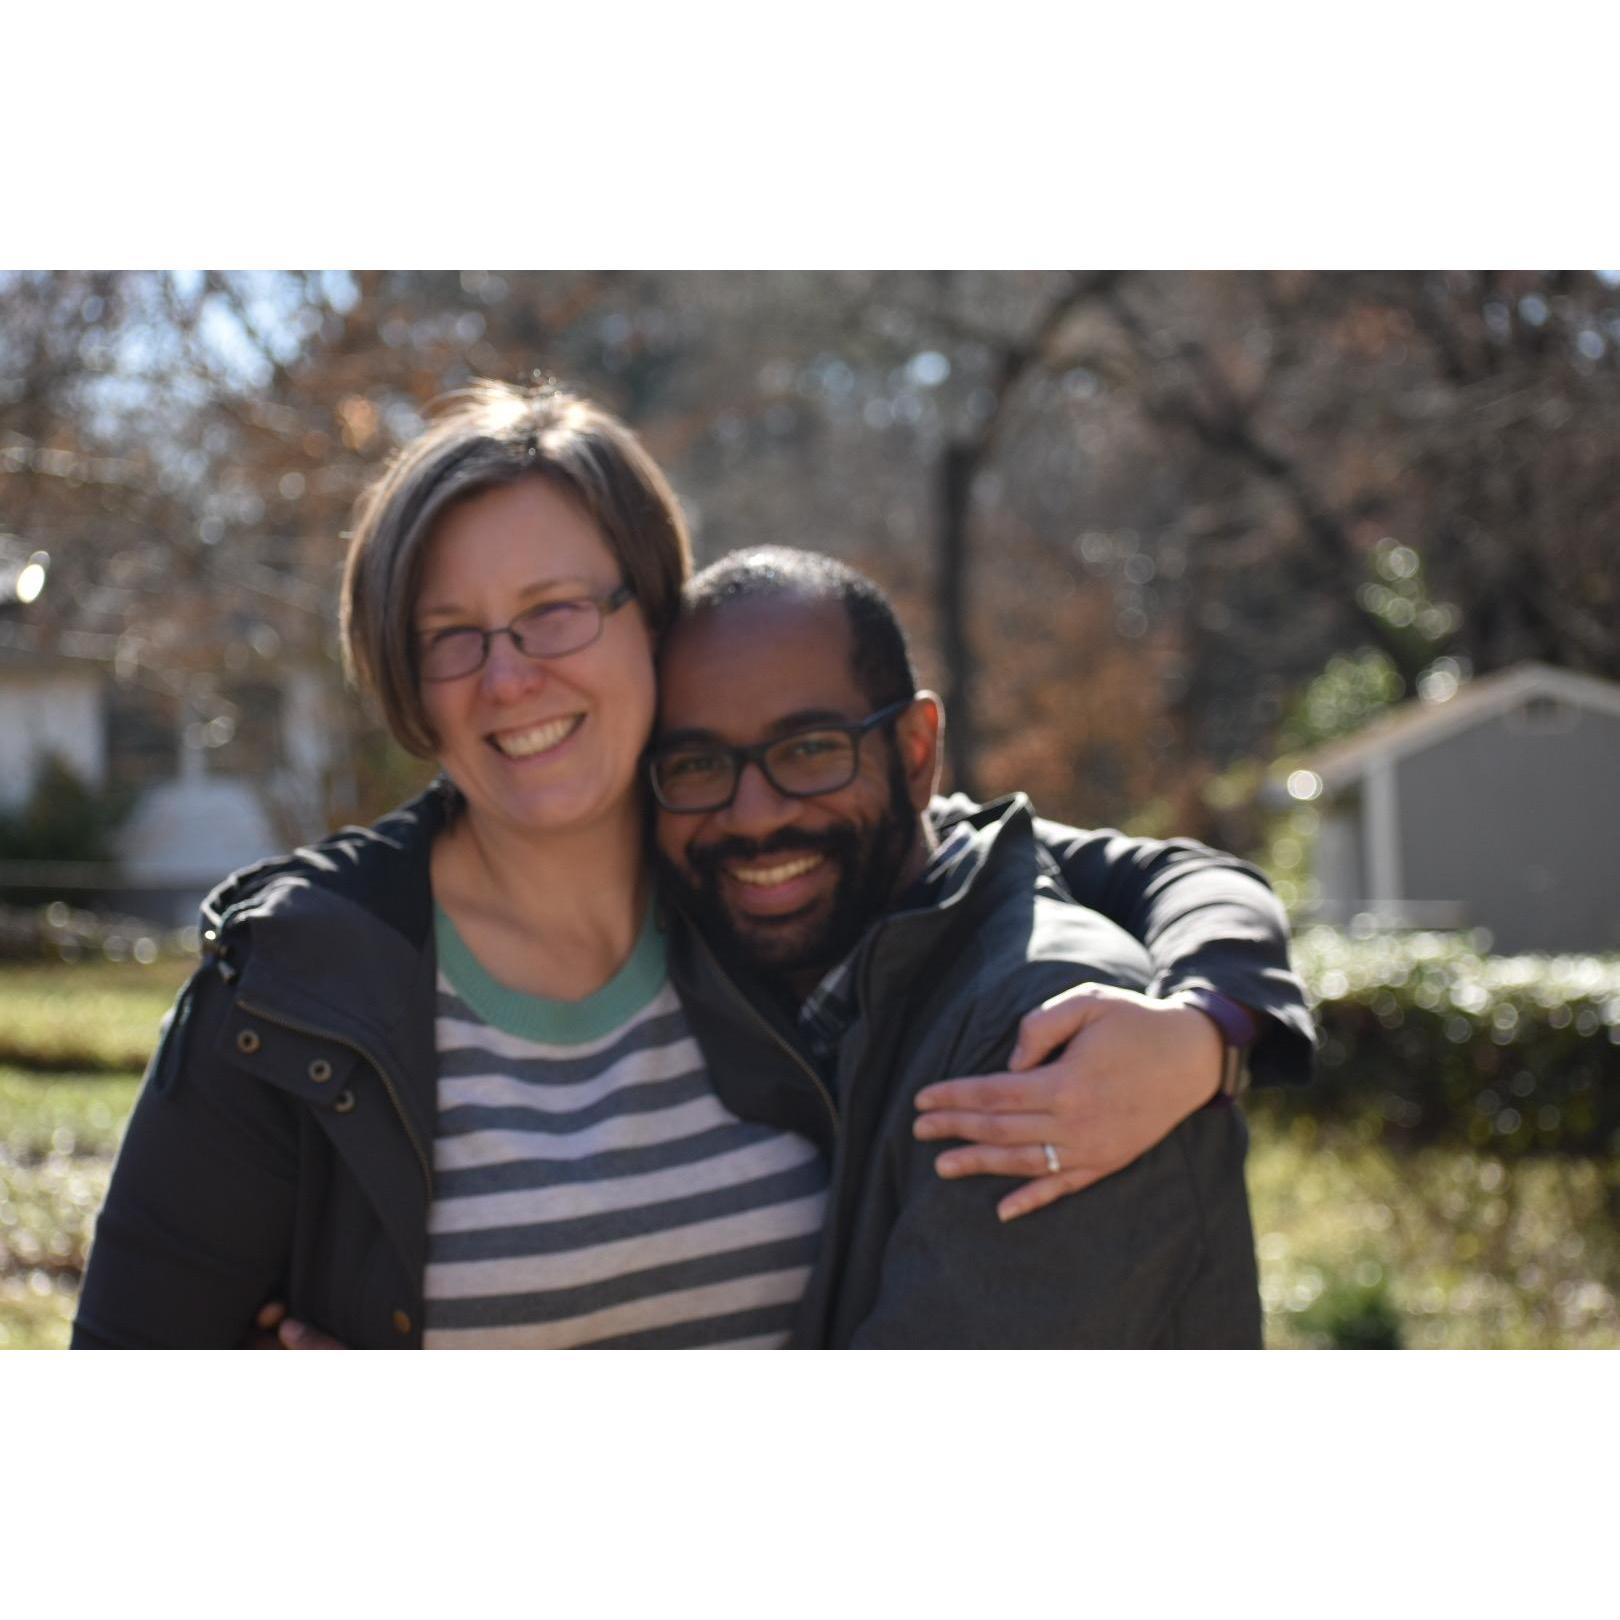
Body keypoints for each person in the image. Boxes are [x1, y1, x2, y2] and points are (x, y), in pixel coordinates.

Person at [72, 380, 1309, 1350]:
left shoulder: (761, 882)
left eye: (556, 611)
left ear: (650, 625)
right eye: (452, 637)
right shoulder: (294, 990)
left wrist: (1208, 1024)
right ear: (407, 681)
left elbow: (1147, 871)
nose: (511, 678)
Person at [649, 548, 1296, 1345]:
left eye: (810, 749)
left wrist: (1205, 1026)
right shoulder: (695, 944)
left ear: (916, 754)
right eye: (697, 763)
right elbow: (1171, 870)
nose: (752, 815)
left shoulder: (1051, 1047)